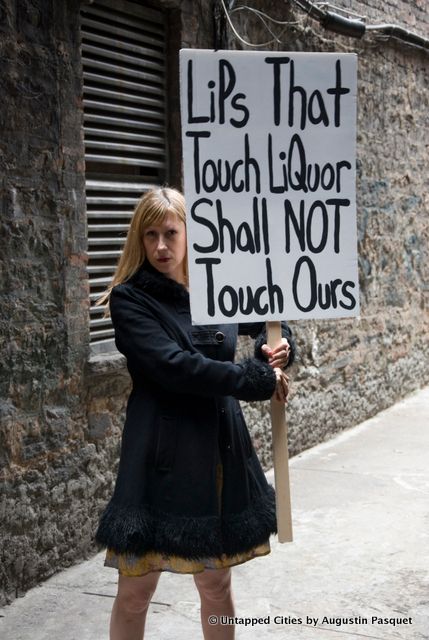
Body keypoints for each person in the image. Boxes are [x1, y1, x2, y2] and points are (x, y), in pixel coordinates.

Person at [95, 187, 295, 640]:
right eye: (150, 235)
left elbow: (267, 324)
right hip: (160, 451)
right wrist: (250, 379)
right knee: (135, 590)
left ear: (190, 233)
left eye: (170, 232)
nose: (161, 246)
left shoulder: (219, 288)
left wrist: (279, 350)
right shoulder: (130, 300)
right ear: (139, 241)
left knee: (216, 584)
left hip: (219, 446)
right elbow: (174, 367)